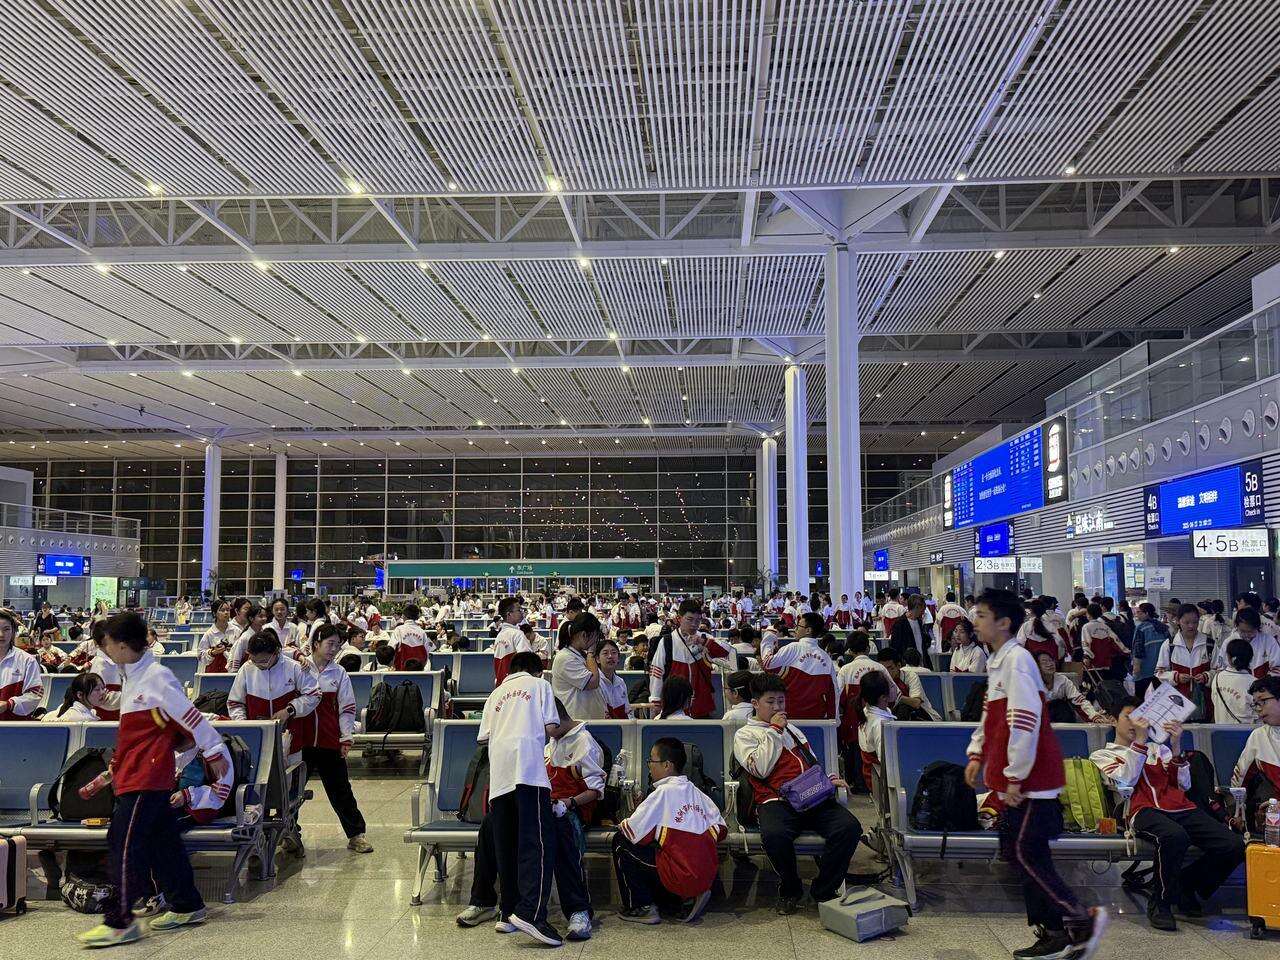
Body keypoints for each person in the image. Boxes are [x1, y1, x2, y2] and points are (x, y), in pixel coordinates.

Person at [964, 588, 1108, 960]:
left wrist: (1016, 776)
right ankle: (1055, 932)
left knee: (1023, 852)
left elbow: (1025, 722)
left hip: (1031, 781)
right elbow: (990, 714)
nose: (975, 621)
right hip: (1016, 778)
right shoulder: (999, 661)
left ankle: (1079, 919)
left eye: (982, 615)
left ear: (1003, 622)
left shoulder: (1018, 661)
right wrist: (977, 752)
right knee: (1021, 853)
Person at [75, 612, 229, 948]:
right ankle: (187, 905)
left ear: (123, 645)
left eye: (107, 642)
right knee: (164, 844)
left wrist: (215, 751)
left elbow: (191, 716)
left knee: (123, 844)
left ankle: (120, 922)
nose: (104, 648)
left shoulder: (156, 677)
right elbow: (139, 733)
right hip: (136, 774)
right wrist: (116, 766)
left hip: (147, 778)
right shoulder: (132, 676)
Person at [1090, 703, 1244, 930]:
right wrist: (1139, 743)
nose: (1135, 722)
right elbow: (1126, 780)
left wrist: (1176, 746)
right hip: (1140, 810)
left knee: (1234, 845)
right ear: (1113, 720)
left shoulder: (1159, 750)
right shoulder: (1103, 754)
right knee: (1174, 836)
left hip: (1181, 807)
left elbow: (1183, 785)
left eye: (1140, 716)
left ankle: (1185, 884)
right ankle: (1161, 902)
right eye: (1128, 717)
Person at [734, 673, 859, 914]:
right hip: (776, 800)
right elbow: (760, 769)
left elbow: (810, 764)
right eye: (771, 701)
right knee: (775, 835)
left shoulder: (793, 730)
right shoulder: (745, 735)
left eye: (781, 701)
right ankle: (790, 889)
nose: (777, 707)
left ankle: (824, 890)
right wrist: (774, 731)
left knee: (849, 827)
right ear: (755, 703)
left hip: (810, 795)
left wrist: (828, 779)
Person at [478, 651, 566, 946]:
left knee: (507, 845)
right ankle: (532, 914)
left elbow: (484, 737)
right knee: (536, 844)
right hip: (529, 772)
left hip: (500, 777)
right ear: (537, 671)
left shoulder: (495, 694)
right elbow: (552, 727)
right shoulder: (540, 685)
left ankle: (508, 912)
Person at [613, 736, 725, 925]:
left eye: (651, 760)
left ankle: (640, 907)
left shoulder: (662, 793)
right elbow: (721, 830)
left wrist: (625, 820)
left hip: (680, 877)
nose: (649, 765)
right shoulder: (697, 792)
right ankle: (683, 899)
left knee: (620, 842)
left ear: (667, 765)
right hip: (705, 875)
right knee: (662, 846)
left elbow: (631, 831)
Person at [298, 623, 373, 853]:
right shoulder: (298, 668)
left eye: (337, 645)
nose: (333, 649)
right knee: (292, 792)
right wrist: (297, 654)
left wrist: (346, 737)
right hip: (300, 742)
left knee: (341, 790)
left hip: (329, 741)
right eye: (329, 644)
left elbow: (347, 708)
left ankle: (356, 835)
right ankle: (289, 834)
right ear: (316, 644)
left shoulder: (339, 673)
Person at [227, 629, 320, 766]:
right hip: (256, 739)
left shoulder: (294, 667)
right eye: (254, 660)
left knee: (289, 775)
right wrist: (244, 726)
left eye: (264, 661)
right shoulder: (247, 669)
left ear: (276, 652)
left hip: (290, 737)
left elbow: (314, 695)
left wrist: (289, 710)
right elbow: (235, 703)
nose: (259, 665)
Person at [648, 599, 732, 719]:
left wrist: (704, 642)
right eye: (689, 619)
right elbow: (657, 672)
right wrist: (655, 700)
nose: (694, 624)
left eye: (698, 620)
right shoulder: (667, 642)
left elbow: (730, 655)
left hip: (702, 707)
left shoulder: (705, 638)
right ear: (679, 618)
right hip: (674, 710)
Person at [761, 611, 840, 719]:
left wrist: (768, 640)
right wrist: (833, 722)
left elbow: (767, 664)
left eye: (798, 626)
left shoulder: (792, 648)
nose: (795, 629)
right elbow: (833, 694)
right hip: (817, 719)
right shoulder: (826, 658)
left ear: (808, 630)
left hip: (788, 717)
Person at [1230, 675, 1280, 821]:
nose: (1258, 709)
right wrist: (1238, 812)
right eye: (1255, 704)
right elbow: (1240, 781)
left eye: (1263, 701)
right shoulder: (1259, 736)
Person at [552, 612, 606, 720]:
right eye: (596, 637)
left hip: (586, 719)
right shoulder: (566, 658)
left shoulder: (578, 654)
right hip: (575, 721)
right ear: (584, 635)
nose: (596, 642)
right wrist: (591, 654)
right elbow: (593, 682)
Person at [1155, 603, 1210, 699]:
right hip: (1177, 700)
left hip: (1205, 699)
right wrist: (1176, 677)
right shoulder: (1169, 645)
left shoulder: (1209, 644)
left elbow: (1219, 671)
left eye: (1195, 622)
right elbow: (1159, 673)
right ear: (1178, 621)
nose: (1191, 626)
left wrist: (1207, 676)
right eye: (1186, 622)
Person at [1037, 653, 1109, 723]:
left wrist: (1094, 716)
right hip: (1039, 719)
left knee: (1062, 706)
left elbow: (1079, 700)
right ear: (1037, 666)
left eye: (1051, 660)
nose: (1050, 664)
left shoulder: (1063, 680)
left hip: (1061, 720)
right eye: (1044, 662)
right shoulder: (1033, 683)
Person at [1215, 606, 1280, 677]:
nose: (1246, 635)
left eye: (1250, 632)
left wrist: (1264, 682)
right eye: (1242, 631)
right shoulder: (1229, 642)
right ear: (1236, 626)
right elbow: (1221, 669)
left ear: (1257, 627)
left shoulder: (1268, 641)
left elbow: (1277, 668)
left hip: (1263, 682)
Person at [856, 670, 895, 786]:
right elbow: (886, 761)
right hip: (880, 781)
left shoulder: (867, 710)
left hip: (874, 775)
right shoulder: (880, 724)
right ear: (883, 697)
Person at [1211, 637, 1260, 724]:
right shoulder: (1255, 683)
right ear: (1251, 658)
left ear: (1228, 657)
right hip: (1247, 731)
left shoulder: (1217, 677)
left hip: (1220, 730)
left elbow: (1215, 703)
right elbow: (1259, 712)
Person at [492, 595, 530, 685]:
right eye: (519, 610)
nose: (522, 612)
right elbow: (527, 662)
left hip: (502, 683)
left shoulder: (499, 635)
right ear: (509, 614)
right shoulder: (517, 634)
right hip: (516, 684)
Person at [1081, 603, 1127, 676]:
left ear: (1089, 614)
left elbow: (1086, 642)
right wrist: (1125, 651)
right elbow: (1116, 640)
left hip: (1094, 662)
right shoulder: (1105, 626)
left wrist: (1087, 656)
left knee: (1093, 681)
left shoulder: (1086, 627)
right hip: (1106, 660)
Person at [888, 595, 932, 668]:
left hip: (922, 661)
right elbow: (895, 646)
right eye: (922, 609)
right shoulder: (900, 623)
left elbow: (923, 640)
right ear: (917, 607)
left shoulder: (919, 621)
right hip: (907, 663)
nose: (923, 612)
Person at [1131, 602, 1170, 682]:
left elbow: (1138, 650)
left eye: (1139, 612)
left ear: (1147, 613)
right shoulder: (1164, 627)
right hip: (1162, 671)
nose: (1137, 615)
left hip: (1146, 670)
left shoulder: (1141, 628)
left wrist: (1136, 669)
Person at [226, 603, 270, 673]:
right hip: (247, 672)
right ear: (251, 618)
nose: (264, 618)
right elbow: (236, 658)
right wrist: (235, 673)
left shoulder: (266, 634)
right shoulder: (245, 637)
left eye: (265, 616)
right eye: (261, 616)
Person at [195, 599, 237, 673]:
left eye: (228, 610)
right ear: (214, 614)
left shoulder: (236, 631)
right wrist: (212, 652)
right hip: (214, 672)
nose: (226, 612)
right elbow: (200, 656)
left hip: (232, 672)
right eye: (222, 610)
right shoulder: (209, 634)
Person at [596, 638, 631, 719]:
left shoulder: (621, 682)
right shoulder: (595, 683)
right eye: (605, 653)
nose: (610, 656)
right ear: (597, 659)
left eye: (614, 653)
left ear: (618, 658)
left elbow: (627, 710)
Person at [389, 604, 432, 671]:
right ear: (417, 616)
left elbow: (391, 648)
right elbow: (427, 652)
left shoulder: (398, 630)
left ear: (403, 616)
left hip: (401, 670)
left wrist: (392, 666)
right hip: (418, 671)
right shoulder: (422, 632)